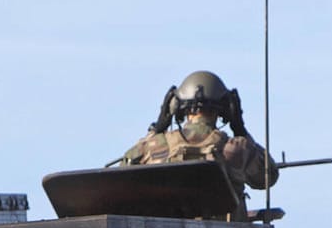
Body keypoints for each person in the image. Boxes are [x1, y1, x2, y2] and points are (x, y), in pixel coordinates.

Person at [118, 71, 277, 192]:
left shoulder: (153, 147)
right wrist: (240, 129)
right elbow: (269, 176)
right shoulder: (238, 149)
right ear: (227, 109)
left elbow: (121, 175)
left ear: (175, 107)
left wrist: (157, 129)